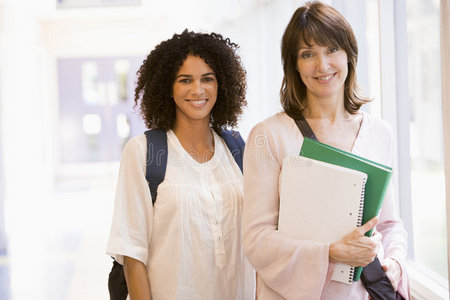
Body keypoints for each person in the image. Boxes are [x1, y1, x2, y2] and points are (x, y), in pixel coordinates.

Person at [242, 1, 409, 299]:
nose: (322, 65)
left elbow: (388, 223)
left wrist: (394, 263)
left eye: (332, 49)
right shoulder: (268, 136)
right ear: (294, 64)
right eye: (308, 54)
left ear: (349, 55)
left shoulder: (380, 133)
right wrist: (330, 253)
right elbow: (257, 240)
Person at [107, 29, 254, 299]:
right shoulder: (143, 153)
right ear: (167, 87)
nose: (198, 90)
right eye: (185, 80)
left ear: (222, 84)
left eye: (207, 79)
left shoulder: (237, 148)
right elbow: (131, 252)